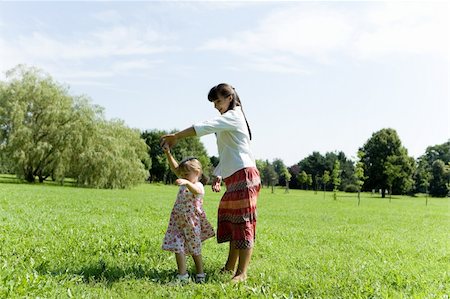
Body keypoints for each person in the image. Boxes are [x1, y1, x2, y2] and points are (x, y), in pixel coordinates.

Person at [160, 83, 261, 282]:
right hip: (234, 177)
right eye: (213, 102)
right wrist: (219, 174)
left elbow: (205, 126)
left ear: (229, 98)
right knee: (232, 222)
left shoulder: (234, 116)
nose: (215, 106)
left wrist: (177, 136)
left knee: (243, 223)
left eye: (218, 101)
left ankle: (242, 273)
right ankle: (229, 267)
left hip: (245, 175)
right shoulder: (228, 120)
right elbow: (229, 151)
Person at [161, 146, 215, 284]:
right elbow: (175, 168)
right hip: (178, 221)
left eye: (186, 174)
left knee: (194, 248)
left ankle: (200, 273)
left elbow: (197, 191)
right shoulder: (186, 179)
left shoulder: (198, 184)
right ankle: (182, 276)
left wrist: (186, 182)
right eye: (182, 174)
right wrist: (168, 152)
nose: (183, 176)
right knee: (177, 245)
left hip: (192, 222)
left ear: (197, 172)